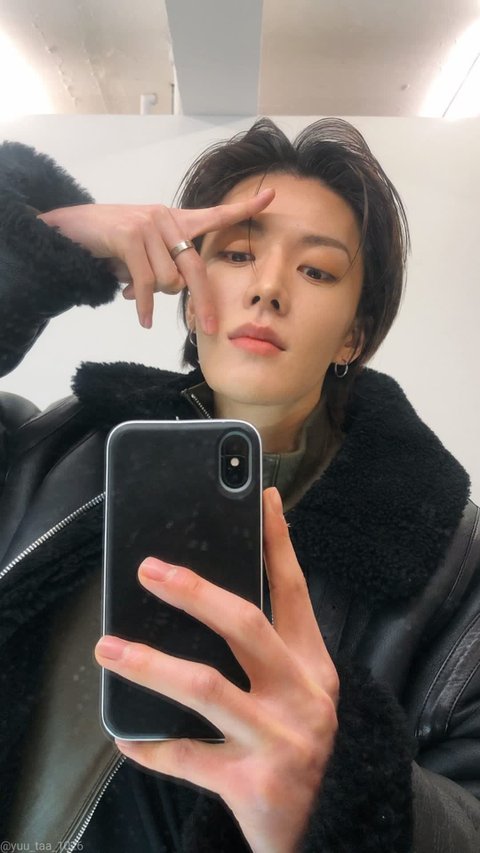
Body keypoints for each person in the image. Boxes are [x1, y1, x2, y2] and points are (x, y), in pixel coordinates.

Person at [0, 117, 479, 853]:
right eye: (236, 254)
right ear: (192, 295)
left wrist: (343, 796)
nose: (268, 288)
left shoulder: (449, 559)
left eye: (316, 271)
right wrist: (37, 246)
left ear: (353, 335)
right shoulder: (47, 449)